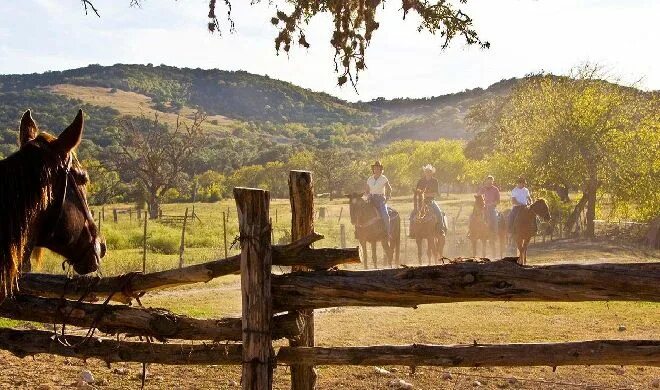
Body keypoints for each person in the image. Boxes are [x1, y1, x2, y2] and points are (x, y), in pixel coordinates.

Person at [410, 164, 446, 234]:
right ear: (424, 172)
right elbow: (417, 191)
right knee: (412, 214)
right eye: (426, 171)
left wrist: (425, 194)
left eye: (429, 171)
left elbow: (436, 193)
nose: (428, 173)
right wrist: (419, 195)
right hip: (421, 202)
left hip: (431, 201)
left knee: (439, 213)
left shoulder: (435, 181)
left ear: (432, 172)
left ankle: (440, 229)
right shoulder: (420, 181)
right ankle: (412, 231)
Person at [365, 161, 392, 237]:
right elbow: (367, 190)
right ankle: (362, 231)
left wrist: (387, 197)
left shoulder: (384, 178)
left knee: (385, 215)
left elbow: (389, 189)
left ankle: (388, 232)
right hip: (371, 199)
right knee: (363, 212)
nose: (376, 170)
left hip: (380, 199)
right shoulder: (369, 179)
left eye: (378, 168)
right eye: (375, 168)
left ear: (381, 169)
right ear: (373, 169)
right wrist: (367, 195)